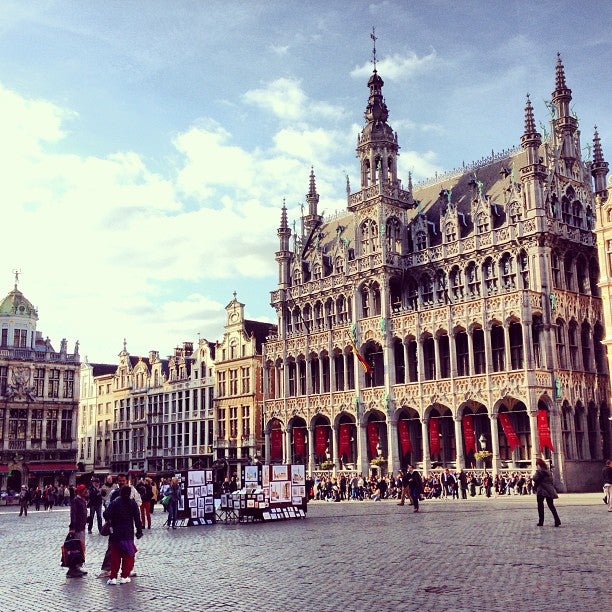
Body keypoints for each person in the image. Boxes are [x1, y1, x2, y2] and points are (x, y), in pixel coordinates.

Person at [105, 485, 143, 585]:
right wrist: (139, 531)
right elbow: (137, 519)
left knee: (115, 556)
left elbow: (106, 514)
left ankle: (113, 577)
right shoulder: (132, 503)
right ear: (130, 493)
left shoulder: (115, 503)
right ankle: (124, 576)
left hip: (116, 533)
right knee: (128, 555)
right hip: (128, 533)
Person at [67, 484, 89, 578]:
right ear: (80, 492)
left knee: (80, 548)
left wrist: (87, 519)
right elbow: (74, 515)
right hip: (77, 528)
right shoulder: (76, 501)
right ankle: (72, 569)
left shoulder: (83, 500)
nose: (86, 492)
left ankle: (77, 567)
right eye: (85, 490)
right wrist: (72, 527)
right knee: (75, 549)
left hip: (82, 527)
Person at [532, 458, 561, 527]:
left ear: (538, 465)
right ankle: (557, 520)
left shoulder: (539, 471)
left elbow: (535, 478)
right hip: (549, 490)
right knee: (551, 506)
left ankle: (541, 521)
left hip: (541, 490)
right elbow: (551, 480)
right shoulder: (548, 472)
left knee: (540, 506)